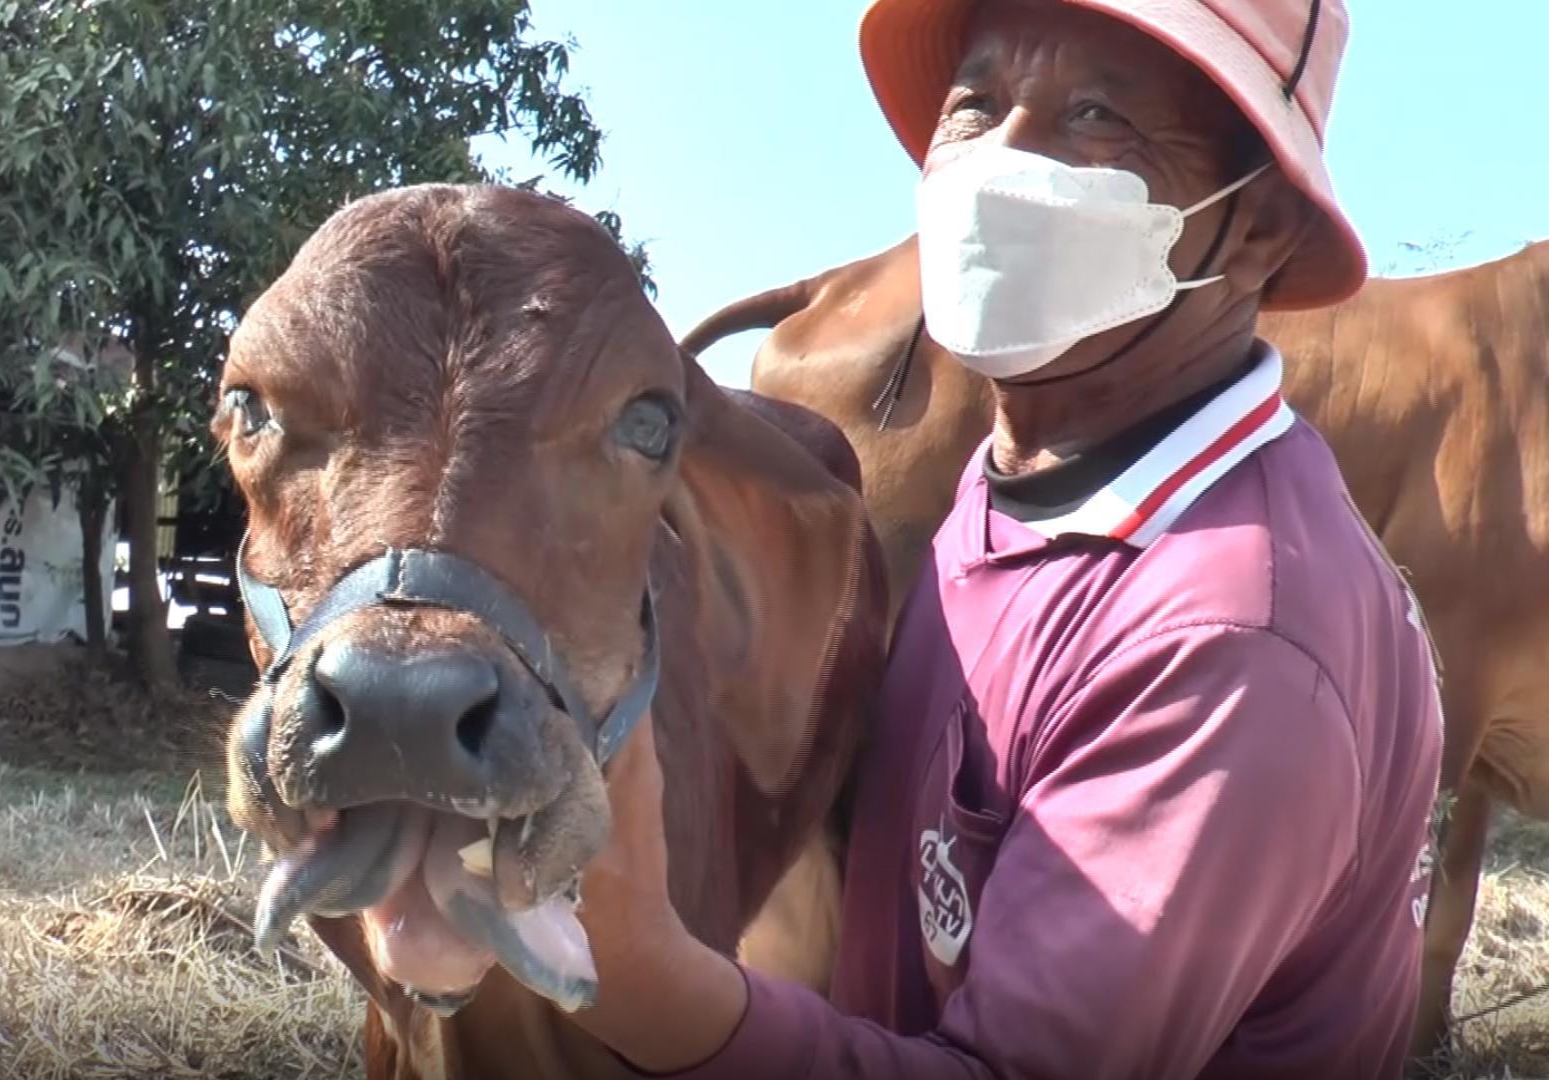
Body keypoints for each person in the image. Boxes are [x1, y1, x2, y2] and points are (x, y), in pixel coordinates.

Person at [567, 1, 1447, 1077]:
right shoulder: (1040, 471)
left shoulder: (1232, 643)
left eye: (1092, 117)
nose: (998, 163)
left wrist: (644, 980)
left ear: (1254, 228)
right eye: (974, 105)